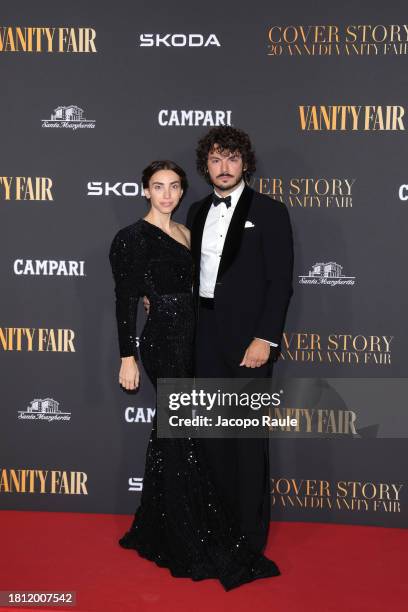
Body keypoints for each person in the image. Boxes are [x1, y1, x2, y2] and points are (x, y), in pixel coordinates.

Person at [109, 160, 280, 591]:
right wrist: (127, 355)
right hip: (164, 344)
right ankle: (182, 531)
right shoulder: (129, 237)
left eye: (173, 187)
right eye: (157, 187)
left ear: (182, 192)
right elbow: (125, 299)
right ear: (144, 191)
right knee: (180, 430)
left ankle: (169, 518)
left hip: (197, 340)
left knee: (183, 433)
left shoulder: (188, 231)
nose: (166, 194)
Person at [185, 126, 294, 554]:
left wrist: (265, 339)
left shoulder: (270, 211)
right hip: (203, 334)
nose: (224, 167)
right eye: (215, 159)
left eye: (231, 159)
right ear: (205, 167)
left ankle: (249, 537)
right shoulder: (194, 211)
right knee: (211, 435)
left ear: (245, 163)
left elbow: (280, 282)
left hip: (249, 340)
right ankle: (217, 526)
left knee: (247, 439)